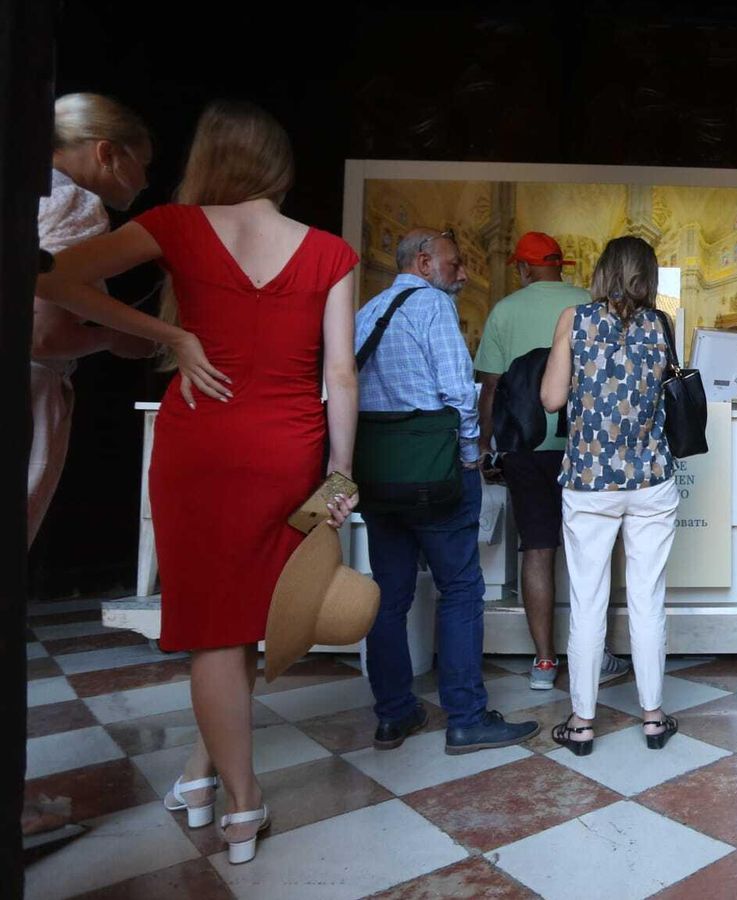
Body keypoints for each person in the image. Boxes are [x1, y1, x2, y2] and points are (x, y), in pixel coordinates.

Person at [36, 99, 361, 865]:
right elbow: (340, 374)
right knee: (247, 617)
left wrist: (170, 336)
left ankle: (242, 805)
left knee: (217, 628)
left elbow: (50, 278)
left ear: (212, 157)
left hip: (203, 440)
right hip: (291, 447)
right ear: (278, 166)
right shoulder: (330, 252)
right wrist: (342, 474)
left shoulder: (177, 228)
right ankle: (199, 774)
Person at [355, 227, 540, 756]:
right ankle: (466, 717)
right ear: (423, 261)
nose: (463, 274)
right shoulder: (432, 307)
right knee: (460, 590)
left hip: (381, 476)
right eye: (455, 264)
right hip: (437, 474)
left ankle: (393, 714)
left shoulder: (365, 314)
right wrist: (469, 457)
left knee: (389, 596)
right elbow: (461, 391)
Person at [541, 235, 679, 756]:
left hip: (589, 481)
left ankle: (581, 723)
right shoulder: (660, 326)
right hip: (650, 480)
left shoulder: (573, 320)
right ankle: (652, 717)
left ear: (602, 270)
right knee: (647, 599)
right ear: (647, 275)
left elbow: (552, 397)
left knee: (587, 600)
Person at [476, 231, 631, 691]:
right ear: (560, 265)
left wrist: (485, 445)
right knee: (592, 552)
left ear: (523, 269)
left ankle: (544, 663)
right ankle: (596, 655)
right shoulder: (588, 303)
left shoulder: (505, 310)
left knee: (537, 549)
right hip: (582, 447)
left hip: (525, 449)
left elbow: (490, 390)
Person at [29, 93, 158, 546]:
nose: (144, 181)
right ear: (107, 152)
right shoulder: (76, 202)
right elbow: (39, 334)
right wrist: (111, 338)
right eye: (141, 162)